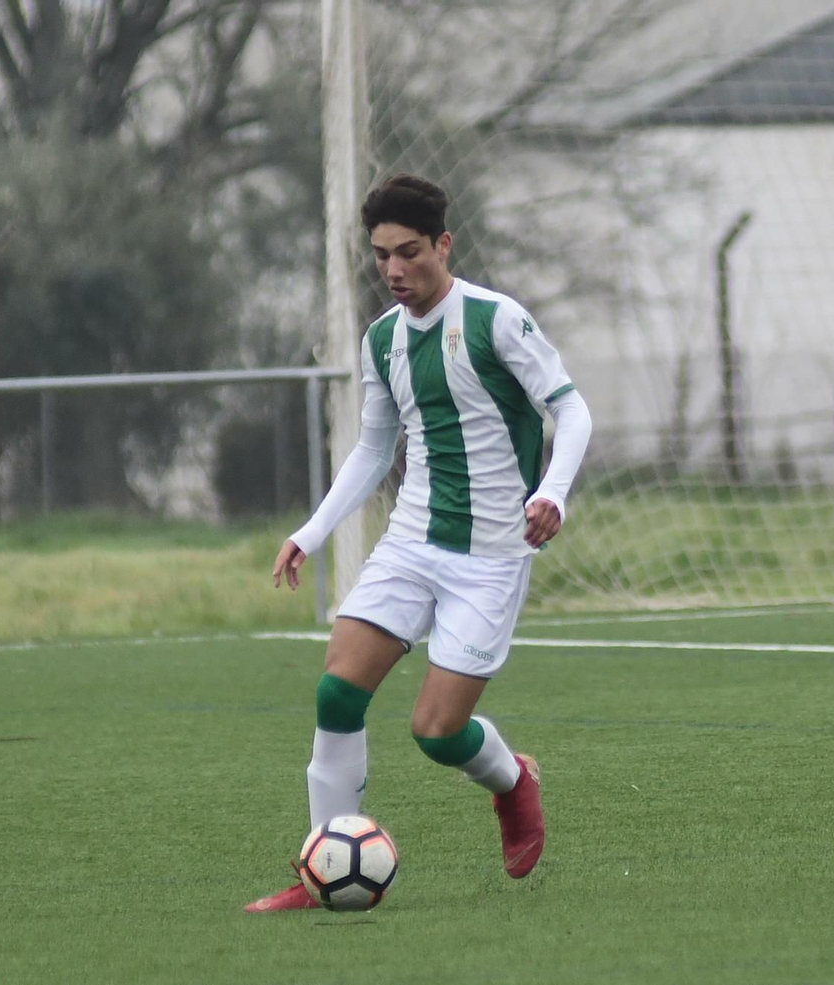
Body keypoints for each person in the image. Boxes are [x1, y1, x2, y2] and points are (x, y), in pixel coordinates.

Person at [246, 173, 593, 911]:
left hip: (491, 554)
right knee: (337, 688)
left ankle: (513, 780)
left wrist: (551, 492)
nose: (396, 272)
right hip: (411, 540)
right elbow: (373, 451)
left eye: (410, 253)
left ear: (444, 244)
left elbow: (573, 410)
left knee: (436, 731)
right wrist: (309, 531)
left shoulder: (496, 321)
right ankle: (320, 867)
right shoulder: (383, 341)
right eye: (381, 258)